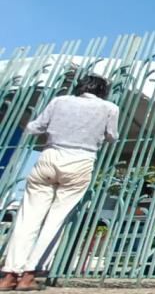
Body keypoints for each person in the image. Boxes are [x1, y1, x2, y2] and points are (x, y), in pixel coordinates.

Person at [0, 75, 119, 291]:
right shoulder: (109, 108)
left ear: (80, 87)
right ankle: (29, 275)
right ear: (103, 91)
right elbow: (112, 136)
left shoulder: (59, 101)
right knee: (56, 220)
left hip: (50, 156)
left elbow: (35, 128)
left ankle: (9, 274)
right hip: (81, 160)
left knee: (28, 219)